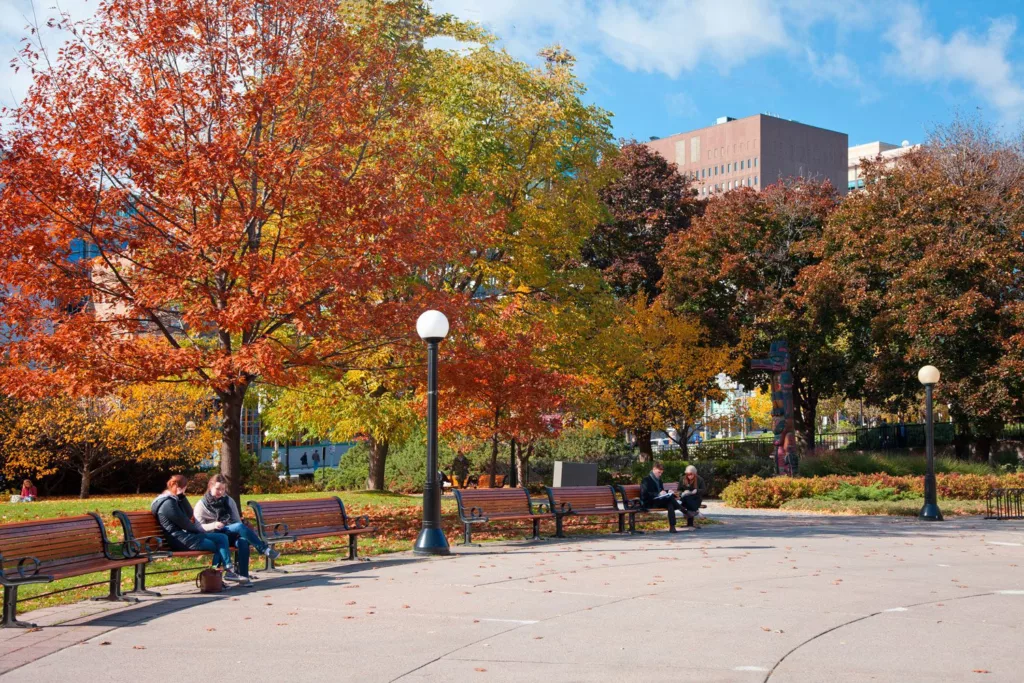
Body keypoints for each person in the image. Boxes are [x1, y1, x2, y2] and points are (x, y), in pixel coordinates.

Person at [151, 474, 248, 585]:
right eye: (185, 488)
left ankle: (227, 571)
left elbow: (188, 514)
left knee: (222, 537)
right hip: (179, 539)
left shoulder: (174, 500)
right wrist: (200, 531)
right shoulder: (168, 504)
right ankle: (217, 579)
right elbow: (185, 524)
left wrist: (182, 496)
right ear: (183, 486)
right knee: (219, 544)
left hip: (187, 536)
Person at [194, 474, 280, 577]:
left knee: (243, 541)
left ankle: (243, 577)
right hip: (214, 536)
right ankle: (263, 549)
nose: (220, 492)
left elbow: (237, 520)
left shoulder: (229, 500)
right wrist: (214, 525)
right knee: (239, 527)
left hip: (230, 533)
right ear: (210, 487)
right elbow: (198, 527)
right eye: (217, 489)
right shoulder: (202, 504)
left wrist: (241, 534)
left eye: (223, 489)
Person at [640, 462, 681, 533]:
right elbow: (645, 494)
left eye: (661, 473)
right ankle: (684, 510)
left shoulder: (659, 480)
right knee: (670, 500)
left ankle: (672, 527)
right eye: (659, 472)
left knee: (670, 503)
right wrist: (658, 494)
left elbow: (661, 491)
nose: (660, 474)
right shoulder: (646, 480)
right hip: (650, 502)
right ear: (654, 469)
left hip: (659, 501)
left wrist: (668, 491)